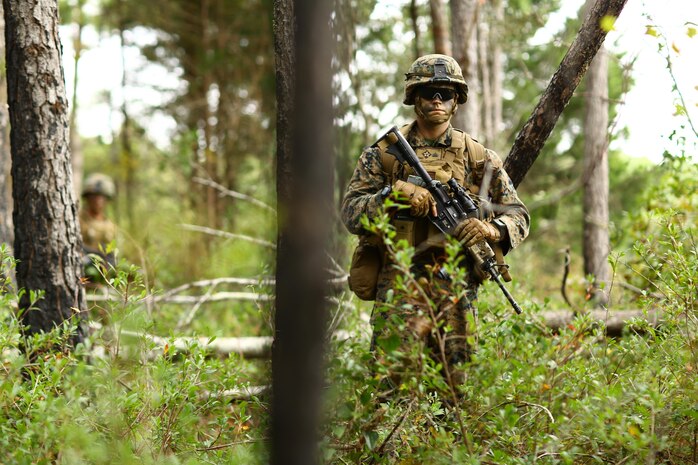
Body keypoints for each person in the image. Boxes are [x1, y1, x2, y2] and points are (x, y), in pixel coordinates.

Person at [341, 54, 530, 389]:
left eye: (446, 93)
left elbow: (518, 214)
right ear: (414, 96)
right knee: (390, 391)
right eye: (430, 93)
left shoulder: (479, 157)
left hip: (456, 292)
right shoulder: (384, 154)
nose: (438, 100)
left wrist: (491, 229)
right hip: (398, 289)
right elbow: (351, 213)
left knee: (455, 394)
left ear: (457, 99)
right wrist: (391, 196)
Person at [79, 173, 117, 283]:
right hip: (83, 269)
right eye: (94, 196)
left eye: (102, 197)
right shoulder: (77, 219)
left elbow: (111, 251)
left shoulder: (109, 225)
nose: (98, 200)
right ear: (87, 198)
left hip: (102, 275)